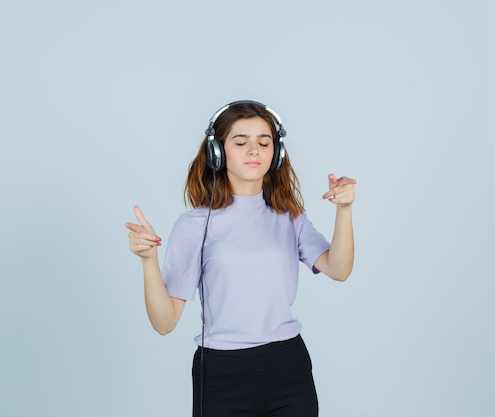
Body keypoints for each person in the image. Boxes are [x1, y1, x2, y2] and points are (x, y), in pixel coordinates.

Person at [125, 100, 356, 417]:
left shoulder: (290, 216)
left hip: (288, 366)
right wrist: (148, 260)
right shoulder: (194, 225)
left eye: (264, 142)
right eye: (240, 142)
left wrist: (344, 211)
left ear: (277, 153)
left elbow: (339, 269)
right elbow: (165, 323)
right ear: (217, 152)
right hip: (222, 373)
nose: (255, 151)